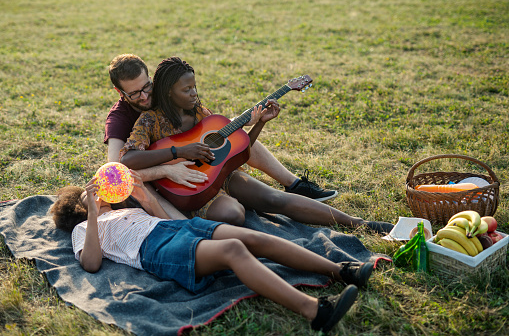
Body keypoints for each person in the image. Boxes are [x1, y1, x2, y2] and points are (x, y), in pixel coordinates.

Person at [51, 172, 375, 333]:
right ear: (78, 209)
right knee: (234, 249)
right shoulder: (85, 228)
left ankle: (341, 270)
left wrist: (145, 198)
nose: (97, 194)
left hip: (177, 231)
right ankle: (315, 311)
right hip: (157, 249)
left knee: (254, 237)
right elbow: (91, 264)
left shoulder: (126, 210)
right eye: (88, 196)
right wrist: (93, 213)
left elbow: (166, 222)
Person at [119, 57, 393, 233]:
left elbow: (236, 149)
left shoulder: (201, 112)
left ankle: (360, 224)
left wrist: (259, 123)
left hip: (220, 175)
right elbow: (127, 161)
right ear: (169, 92)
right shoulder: (149, 121)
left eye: (194, 87)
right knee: (234, 213)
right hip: (190, 188)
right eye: (187, 90)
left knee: (275, 199)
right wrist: (179, 152)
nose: (194, 93)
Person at [105, 54, 337, 202]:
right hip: (165, 181)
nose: (145, 95)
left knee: (232, 136)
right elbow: (115, 171)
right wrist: (168, 170)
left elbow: (204, 128)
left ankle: (294, 184)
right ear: (120, 93)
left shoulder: (166, 92)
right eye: (135, 93)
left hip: (201, 160)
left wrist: (244, 122)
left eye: (147, 86)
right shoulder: (119, 118)